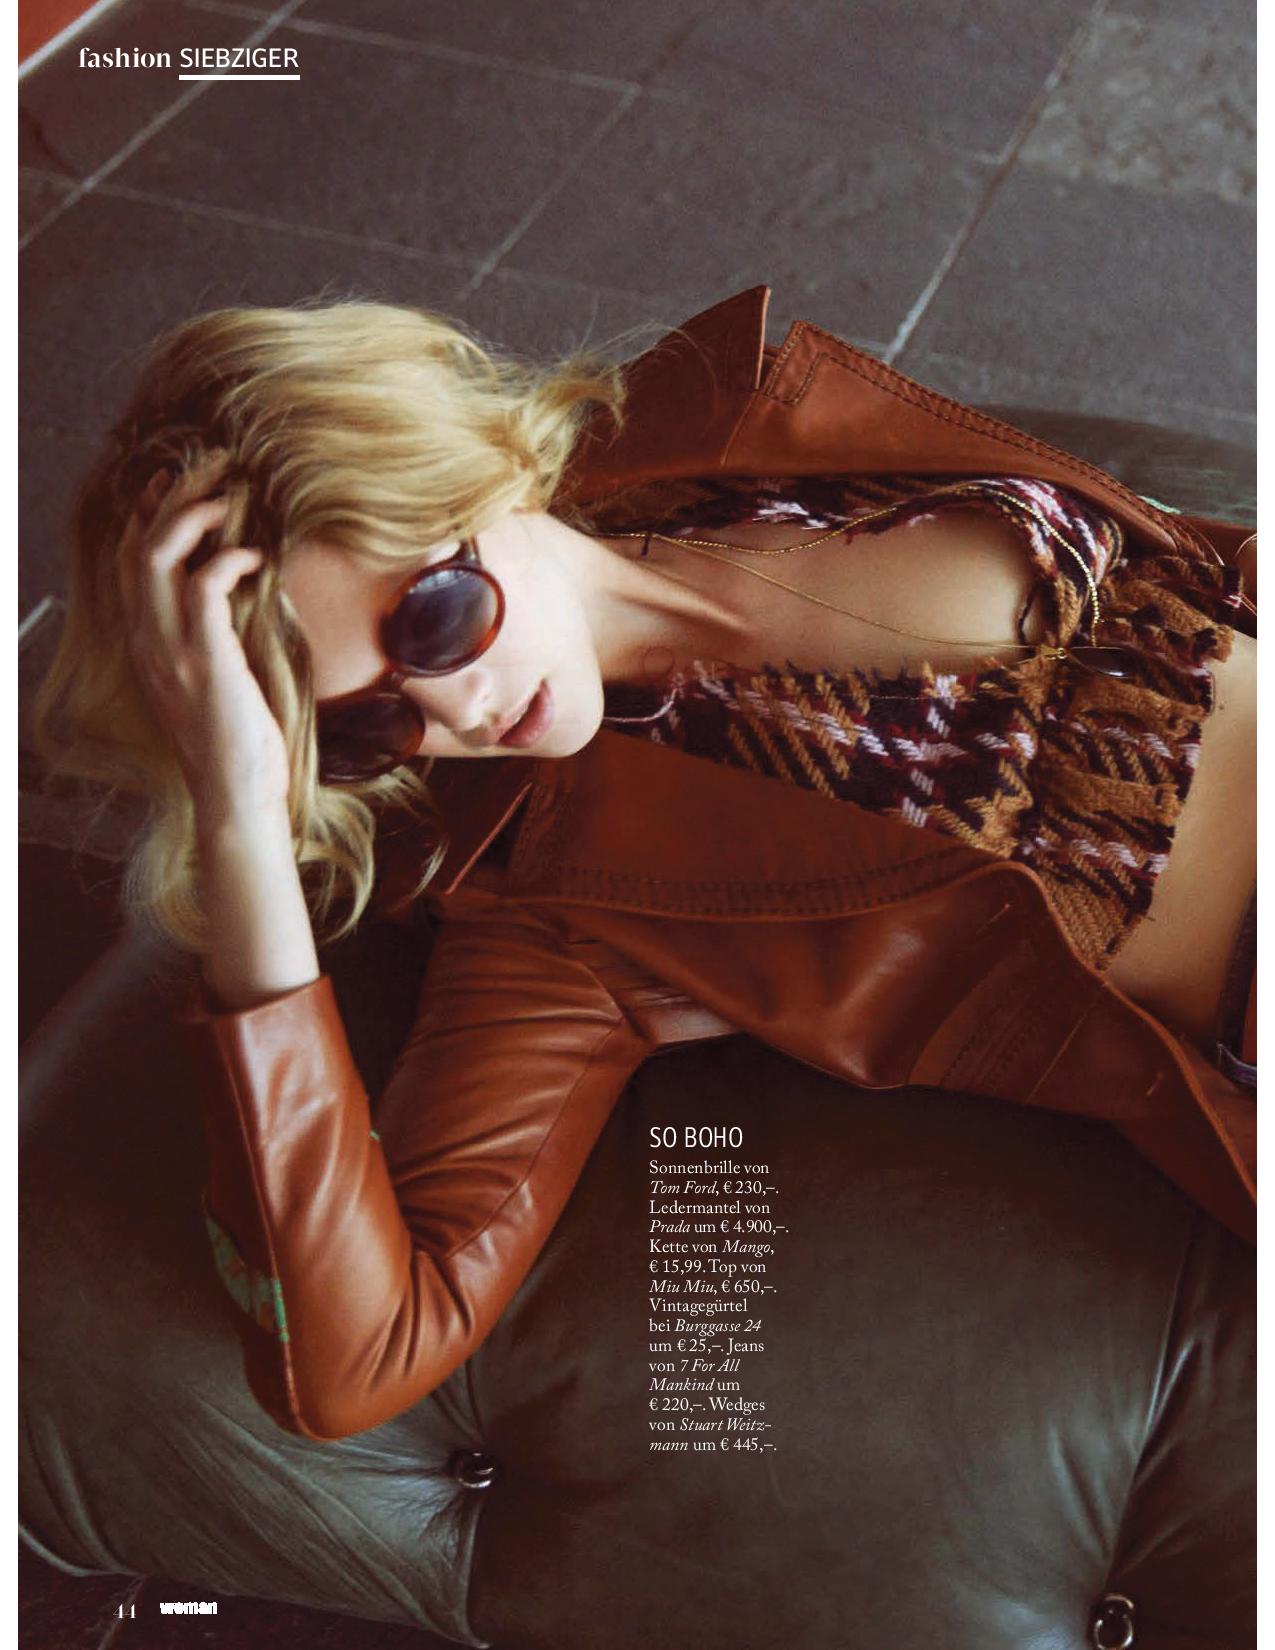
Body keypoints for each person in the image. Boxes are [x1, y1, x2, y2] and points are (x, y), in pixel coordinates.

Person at [35, 285, 1257, 1442]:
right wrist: (241, 819)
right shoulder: (562, 911)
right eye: (367, 727)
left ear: (467, 470)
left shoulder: (717, 443)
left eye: (435, 619)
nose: (457, 712)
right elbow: (352, 1362)